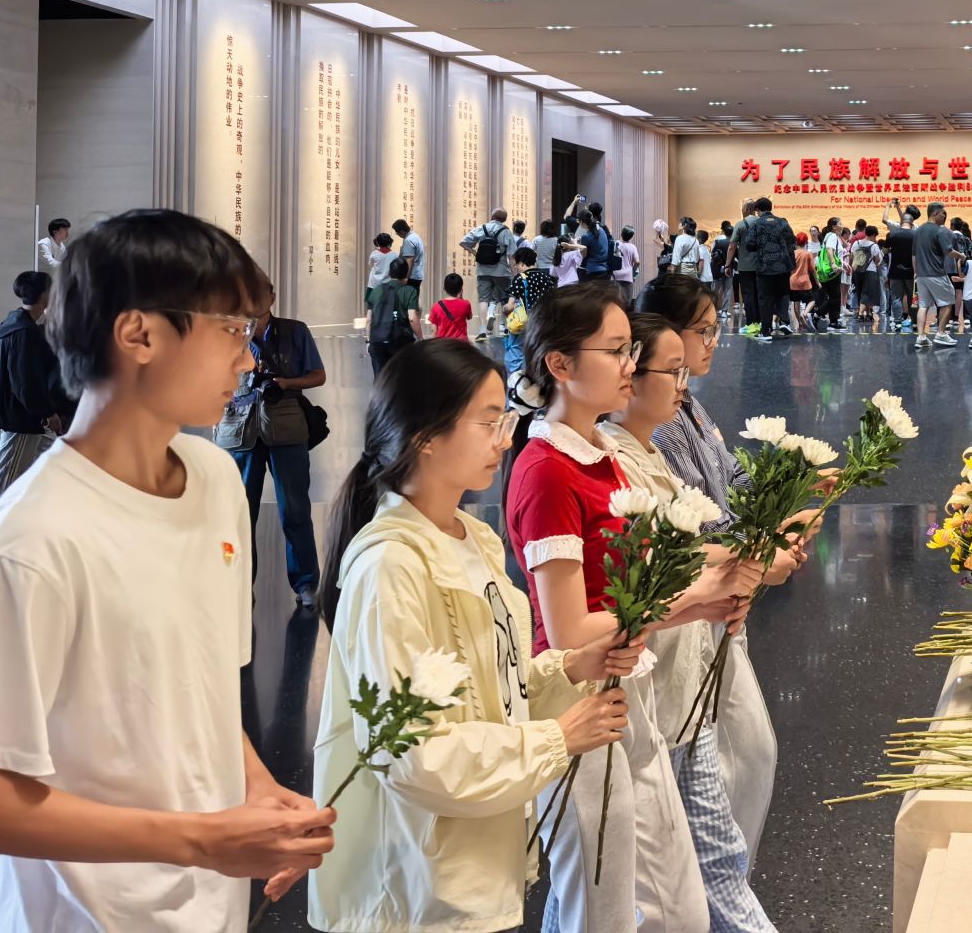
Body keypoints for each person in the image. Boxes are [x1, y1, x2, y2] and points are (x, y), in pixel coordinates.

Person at [0, 208, 335, 931]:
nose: (247, 359)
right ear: (139, 334)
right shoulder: (33, 539)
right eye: (232, 330)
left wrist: (257, 789)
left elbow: (198, 693)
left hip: (210, 907)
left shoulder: (213, 479)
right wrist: (199, 840)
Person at [308, 339, 638, 933]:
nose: (504, 440)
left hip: (473, 863)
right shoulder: (391, 566)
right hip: (418, 886)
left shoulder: (471, 538)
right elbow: (411, 754)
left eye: (504, 421)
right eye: (488, 423)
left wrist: (566, 669)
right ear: (425, 436)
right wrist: (557, 738)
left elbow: (489, 689)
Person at [505, 284, 753, 933]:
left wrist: (705, 591)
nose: (628, 365)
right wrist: (693, 599)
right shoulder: (548, 469)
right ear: (560, 364)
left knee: (675, 908)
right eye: (616, 351)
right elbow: (569, 631)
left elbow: (645, 579)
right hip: (579, 703)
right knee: (607, 911)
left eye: (631, 351)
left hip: (627, 690)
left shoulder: (601, 455)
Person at [599, 313, 781, 933]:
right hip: (641, 696)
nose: (683, 384)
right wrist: (729, 574)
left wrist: (726, 581)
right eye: (670, 369)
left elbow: (679, 554)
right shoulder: (598, 461)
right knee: (635, 892)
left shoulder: (650, 447)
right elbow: (618, 599)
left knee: (708, 863)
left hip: (679, 684)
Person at [638, 275, 796, 861]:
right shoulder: (652, 424)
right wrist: (760, 548)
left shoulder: (689, 406)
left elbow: (729, 479)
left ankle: (722, 880)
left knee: (740, 753)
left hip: (717, 591)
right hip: (691, 601)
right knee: (736, 752)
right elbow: (692, 526)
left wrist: (784, 502)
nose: (714, 342)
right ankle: (721, 881)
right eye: (704, 330)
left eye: (715, 329)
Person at [215, 292, 329, 612]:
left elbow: (318, 375)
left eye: (259, 293)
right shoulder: (226, 333)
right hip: (239, 429)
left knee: (294, 510)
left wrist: (285, 383)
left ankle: (306, 583)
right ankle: (238, 583)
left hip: (287, 427)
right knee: (239, 513)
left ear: (272, 297)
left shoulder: (295, 331)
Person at [0, 270, 78, 510]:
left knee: (50, 462)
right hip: (21, 418)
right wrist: (47, 413)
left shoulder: (21, 324)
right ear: (44, 294)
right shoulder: (24, 333)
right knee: (6, 475)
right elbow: (25, 383)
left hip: (27, 417)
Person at [742, 199, 797, 344]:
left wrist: (762, 247)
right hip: (783, 266)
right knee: (783, 294)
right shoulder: (783, 222)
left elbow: (749, 244)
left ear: (758, 210)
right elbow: (792, 241)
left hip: (765, 267)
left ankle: (765, 331)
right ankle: (784, 321)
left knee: (765, 298)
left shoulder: (756, 224)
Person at [461, 210, 517, 339]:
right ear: (504, 220)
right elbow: (511, 255)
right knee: (505, 299)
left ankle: (482, 330)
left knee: (483, 299)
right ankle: (506, 327)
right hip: (501, 271)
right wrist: (514, 274)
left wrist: (474, 253)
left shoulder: (482, 228)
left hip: (483, 270)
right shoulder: (506, 231)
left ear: (492, 216)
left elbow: (463, 242)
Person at [504, 246, 556, 380]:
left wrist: (505, 309)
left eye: (516, 265)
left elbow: (510, 305)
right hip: (544, 322)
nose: (516, 268)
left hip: (525, 322)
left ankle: (515, 380)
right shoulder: (546, 277)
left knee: (515, 350)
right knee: (539, 351)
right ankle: (539, 380)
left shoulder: (520, 278)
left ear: (522, 263)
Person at [912, 203, 959, 350]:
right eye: (942, 213)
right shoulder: (939, 230)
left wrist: (916, 272)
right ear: (935, 213)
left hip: (921, 275)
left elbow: (914, 255)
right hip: (936, 273)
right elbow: (949, 252)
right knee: (949, 299)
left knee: (923, 305)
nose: (944, 216)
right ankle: (941, 333)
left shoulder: (918, 231)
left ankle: (921, 337)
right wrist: (962, 256)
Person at [366, 257, 421, 376]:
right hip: (401, 342)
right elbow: (412, 318)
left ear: (389, 273)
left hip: (377, 342)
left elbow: (369, 319)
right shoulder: (410, 291)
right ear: (406, 274)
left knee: (381, 380)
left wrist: (369, 341)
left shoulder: (375, 291)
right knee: (401, 379)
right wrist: (421, 338)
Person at [882, 202, 918, 335]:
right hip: (911, 272)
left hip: (895, 271)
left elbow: (885, 251)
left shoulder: (893, 234)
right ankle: (914, 321)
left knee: (896, 297)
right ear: (912, 222)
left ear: (901, 221)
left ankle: (897, 321)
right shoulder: (916, 235)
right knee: (911, 298)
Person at [577, 203, 617, 284]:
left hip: (593, 271)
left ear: (581, 222)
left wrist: (576, 245)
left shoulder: (586, 236)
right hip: (605, 270)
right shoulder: (602, 229)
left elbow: (583, 255)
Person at [429, 272, 474, 341]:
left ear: (444, 288)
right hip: (461, 343)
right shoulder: (466, 304)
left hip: (443, 343)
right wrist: (461, 298)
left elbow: (433, 330)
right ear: (461, 289)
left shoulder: (436, 306)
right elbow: (469, 317)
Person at [786, 231, 816, 336]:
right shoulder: (808, 254)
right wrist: (817, 282)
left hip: (793, 281)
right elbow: (812, 270)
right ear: (806, 242)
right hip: (804, 281)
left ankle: (798, 324)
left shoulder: (792, 254)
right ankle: (805, 313)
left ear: (796, 242)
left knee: (796, 302)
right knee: (812, 300)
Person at [393, 219, 426, 299]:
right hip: (417, 274)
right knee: (413, 299)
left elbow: (409, 259)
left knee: (409, 301)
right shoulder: (415, 236)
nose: (397, 235)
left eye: (397, 233)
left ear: (401, 231)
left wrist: (405, 277)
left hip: (411, 276)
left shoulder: (409, 240)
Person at [614, 225, 642, 307]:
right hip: (628, 277)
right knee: (626, 302)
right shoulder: (633, 247)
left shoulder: (616, 244)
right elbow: (637, 262)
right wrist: (632, 271)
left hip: (616, 275)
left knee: (616, 301)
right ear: (631, 236)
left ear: (621, 233)